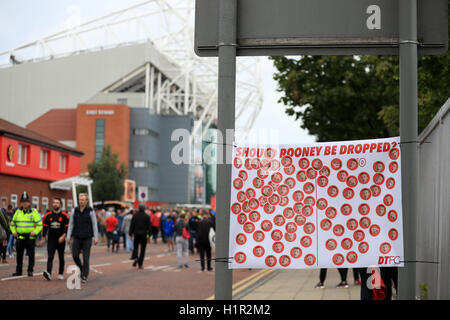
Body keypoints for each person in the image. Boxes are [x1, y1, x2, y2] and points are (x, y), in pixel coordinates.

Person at [67, 193, 99, 283]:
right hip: (77, 237)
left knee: (86, 257)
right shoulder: (74, 211)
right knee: (75, 255)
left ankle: (84, 275)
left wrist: (96, 237)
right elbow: (71, 224)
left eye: (83, 199)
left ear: (87, 201)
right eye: (80, 199)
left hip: (87, 237)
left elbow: (94, 225)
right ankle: (81, 268)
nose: (81, 201)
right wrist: (68, 236)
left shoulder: (90, 211)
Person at [10, 192, 43, 277]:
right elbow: (12, 224)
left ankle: (30, 270)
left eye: (26, 201)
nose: (25, 203)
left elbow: (40, 225)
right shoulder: (17, 212)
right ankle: (19, 271)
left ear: (29, 202)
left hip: (30, 237)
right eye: (23, 201)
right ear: (21, 202)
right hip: (20, 237)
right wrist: (13, 232)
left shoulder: (34, 212)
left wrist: (35, 232)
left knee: (31, 255)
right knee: (19, 255)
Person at [41, 197, 69, 281]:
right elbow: (45, 228)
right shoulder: (48, 215)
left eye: (57, 203)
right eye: (54, 202)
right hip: (51, 239)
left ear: (60, 205)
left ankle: (60, 273)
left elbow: (66, 228)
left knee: (61, 257)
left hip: (61, 239)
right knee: (50, 256)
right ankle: (48, 273)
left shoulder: (65, 216)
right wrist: (43, 238)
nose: (55, 204)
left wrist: (63, 237)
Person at [129, 203, 151, 269]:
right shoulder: (147, 216)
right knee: (143, 249)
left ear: (138, 208)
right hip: (144, 234)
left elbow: (132, 225)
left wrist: (130, 234)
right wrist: (149, 236)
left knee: (135, 247)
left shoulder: (135, 215)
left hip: (136, 234)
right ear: (144, 208)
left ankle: (136, 257)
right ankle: (140, 264)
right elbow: (149, 228)